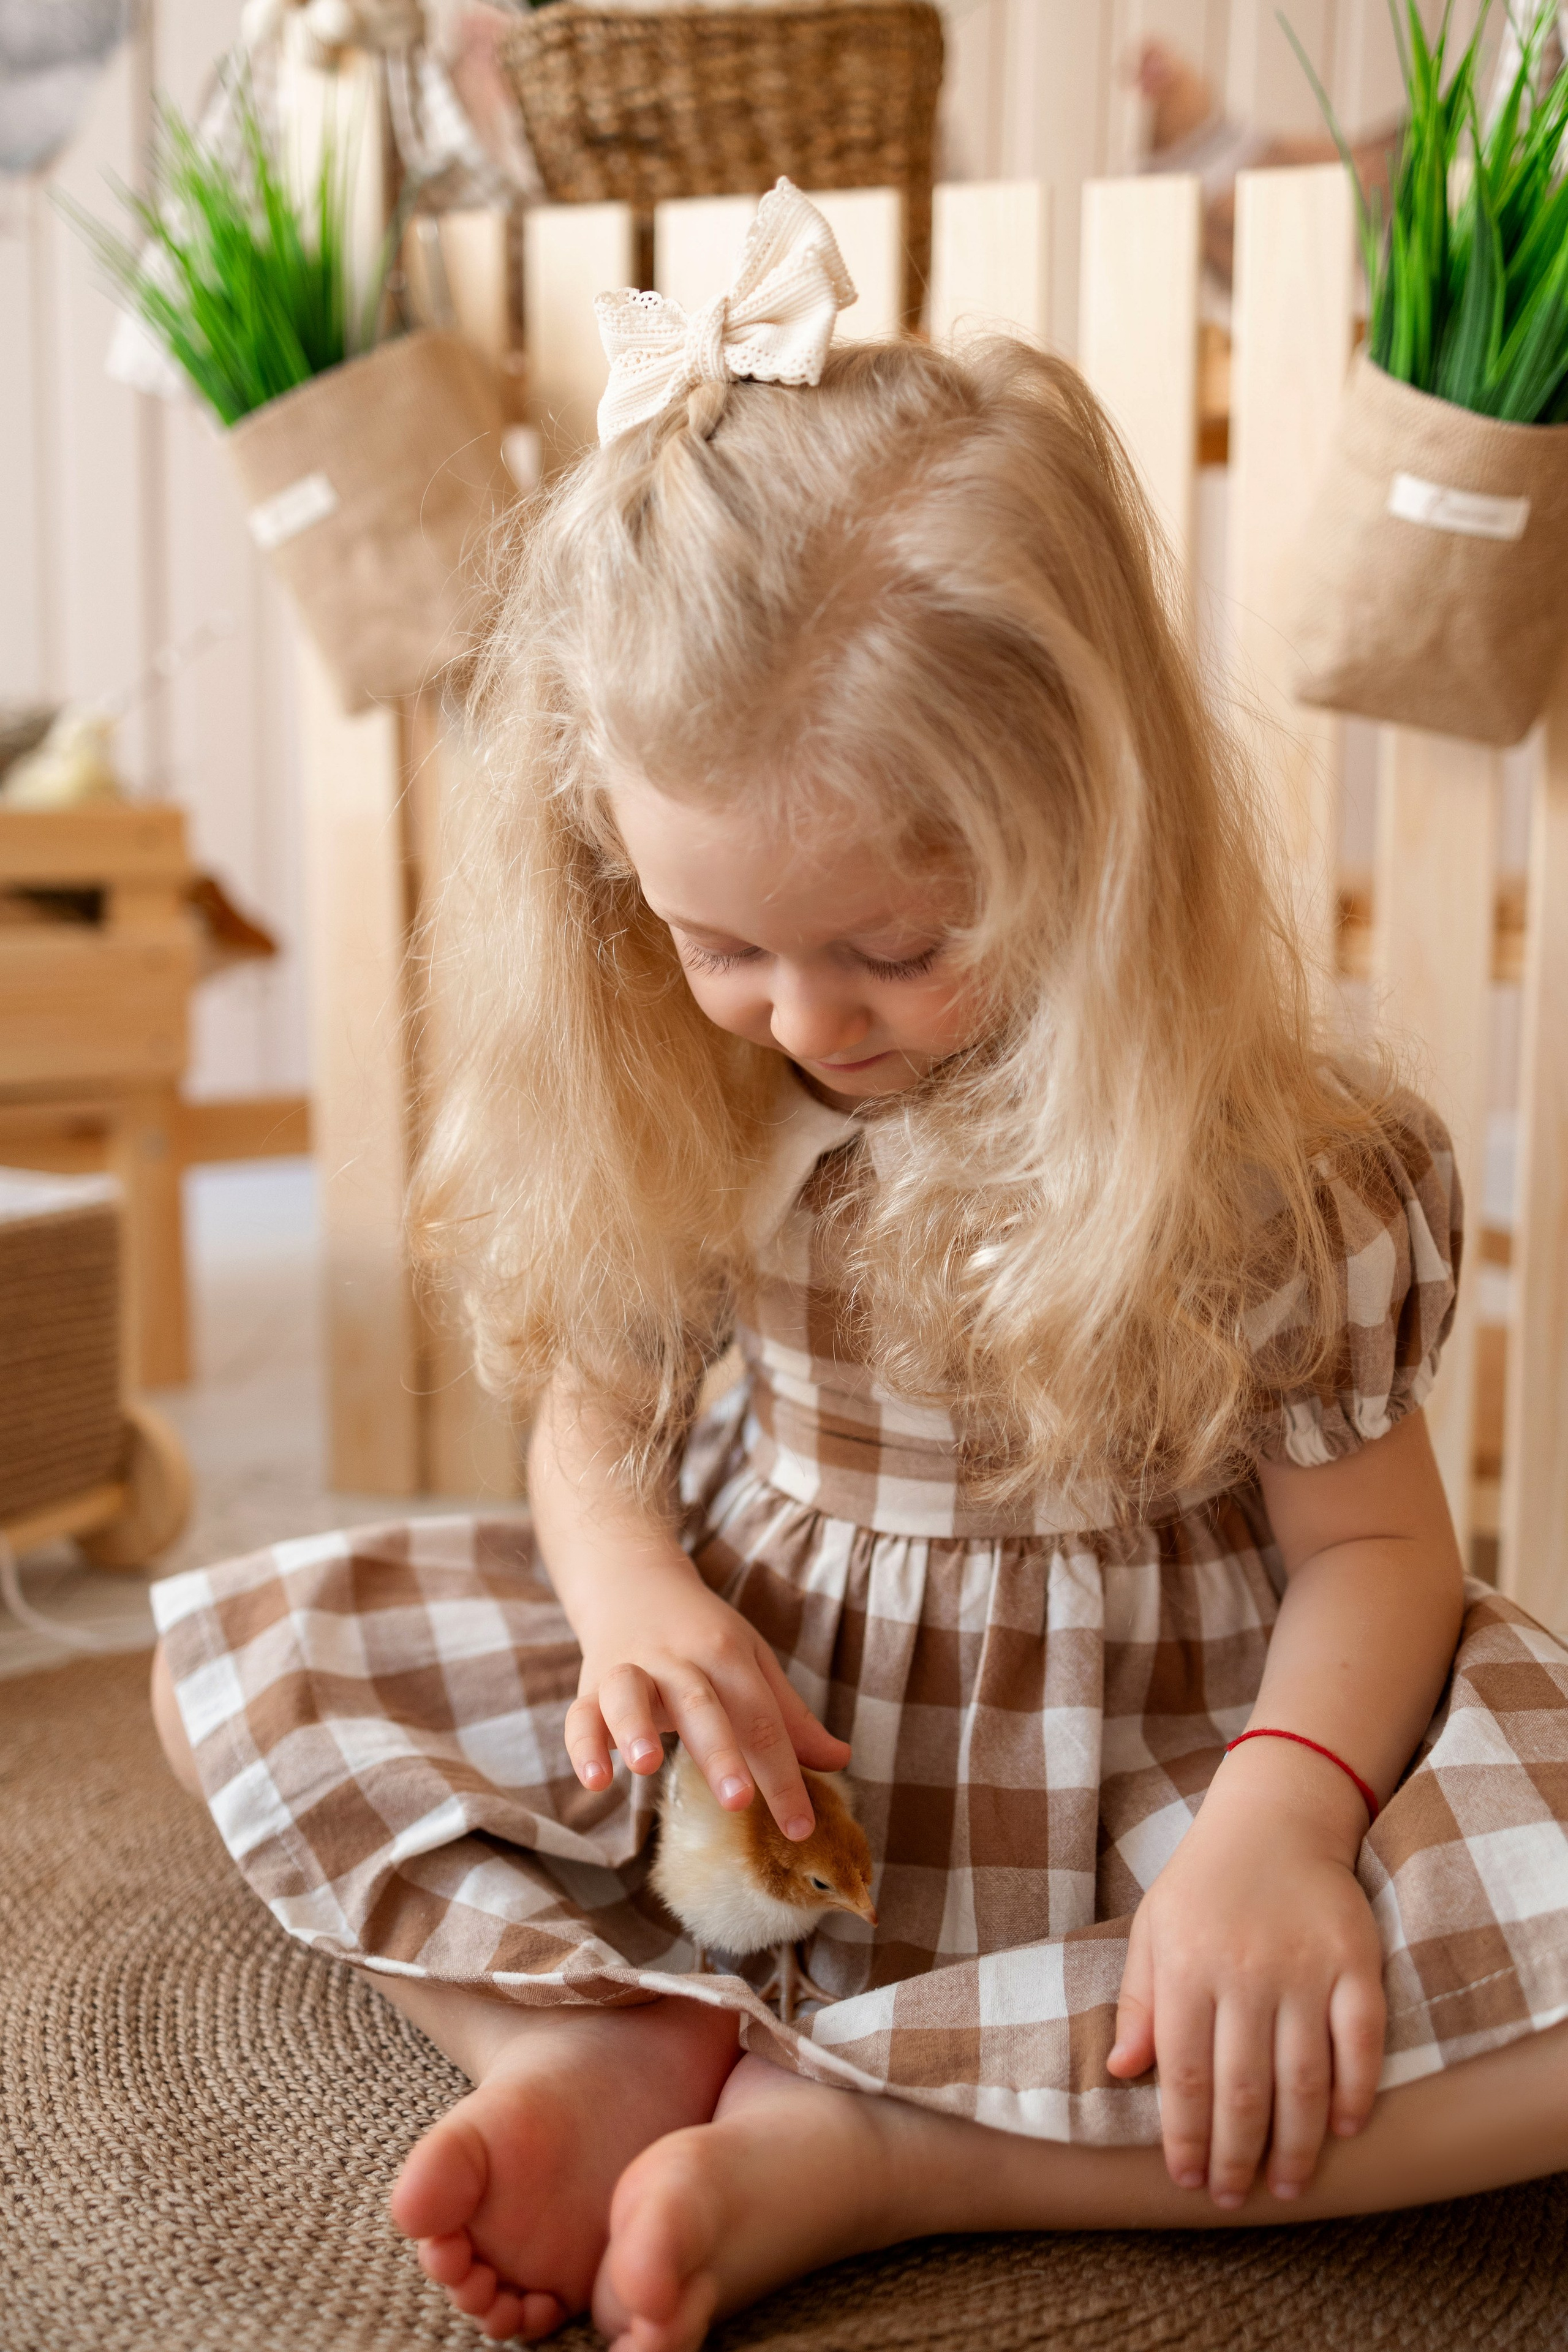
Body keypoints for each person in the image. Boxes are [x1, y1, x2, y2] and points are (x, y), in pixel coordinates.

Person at [150, 184, 1568, 2352]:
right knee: (233, 1667)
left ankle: (910, 2150)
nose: (805, 1021)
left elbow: (1378, 1550)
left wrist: (1285, 1829)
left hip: (1164, 1772)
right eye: (718, 943)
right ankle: (601, 2041)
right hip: (768, 1744)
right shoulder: (689, 1100)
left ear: (1090, 845)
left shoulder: (1286, 1170)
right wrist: (634, 1597)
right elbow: (594, 1429)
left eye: (895, 951)